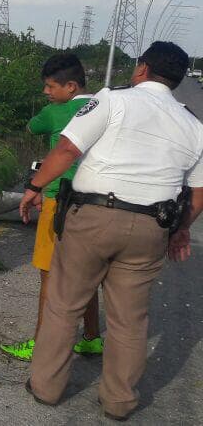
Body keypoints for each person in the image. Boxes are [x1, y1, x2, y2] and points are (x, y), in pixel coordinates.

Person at [18, 41, 203, 420]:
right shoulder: (193, 126)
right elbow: (198, 194)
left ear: (142, 69)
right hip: (152, 227)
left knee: (64, 304)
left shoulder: (112, 100)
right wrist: (181, 230)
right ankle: (119, 400)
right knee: (129, 321)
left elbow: (69, 149)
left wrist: (35, 187)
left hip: (94, 217)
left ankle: (47, 387)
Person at [0, 53, 102, 361]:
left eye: (50, 86)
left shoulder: (56, 111)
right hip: (95, 201)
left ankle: (39, 344)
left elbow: (32, 127)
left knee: (48, 274)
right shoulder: (102, 107)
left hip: (59, 197)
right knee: (87, 274)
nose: (46, 92)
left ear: (70, 86)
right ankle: (91, 338)